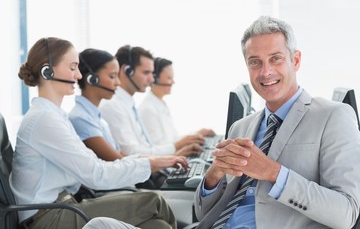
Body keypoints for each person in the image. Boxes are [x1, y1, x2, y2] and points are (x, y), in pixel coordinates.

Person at [194, 16, 360, 228]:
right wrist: (213, 176)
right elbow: (203, 213)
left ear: (296, 60)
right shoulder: (240, 127)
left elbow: (346, 214)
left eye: (276, 58)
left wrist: (273, 173)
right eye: (255, 62)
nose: (265, 72)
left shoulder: (334, 116)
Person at [10, 37, 187, 229]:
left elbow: (95, 165)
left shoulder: (55, 117)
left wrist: (150, 161)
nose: (79, 76)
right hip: (48, 217)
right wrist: (149, 163)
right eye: (72, 67)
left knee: (157, 225)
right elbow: (96, 174)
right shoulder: (44, 120)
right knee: (155, 201)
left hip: (65, 206)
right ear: (48, 71)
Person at [100, 45, 204, 157]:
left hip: (152, 167)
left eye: (152, 73)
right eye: (146, 73)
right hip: (145, 172)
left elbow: (147, 148)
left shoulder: (128, 104)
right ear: (127, 70)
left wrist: (177, 152)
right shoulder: (113, 106)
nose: (151, 79)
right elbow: (130, 153)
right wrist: (176, 148)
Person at [138, 56, 216, 148]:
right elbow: (158, 147)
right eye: (169, 78)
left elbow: (173, 138)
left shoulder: (161, 103)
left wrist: (197, 134)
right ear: (155, 79)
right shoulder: (148, 109)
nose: (173, 82)